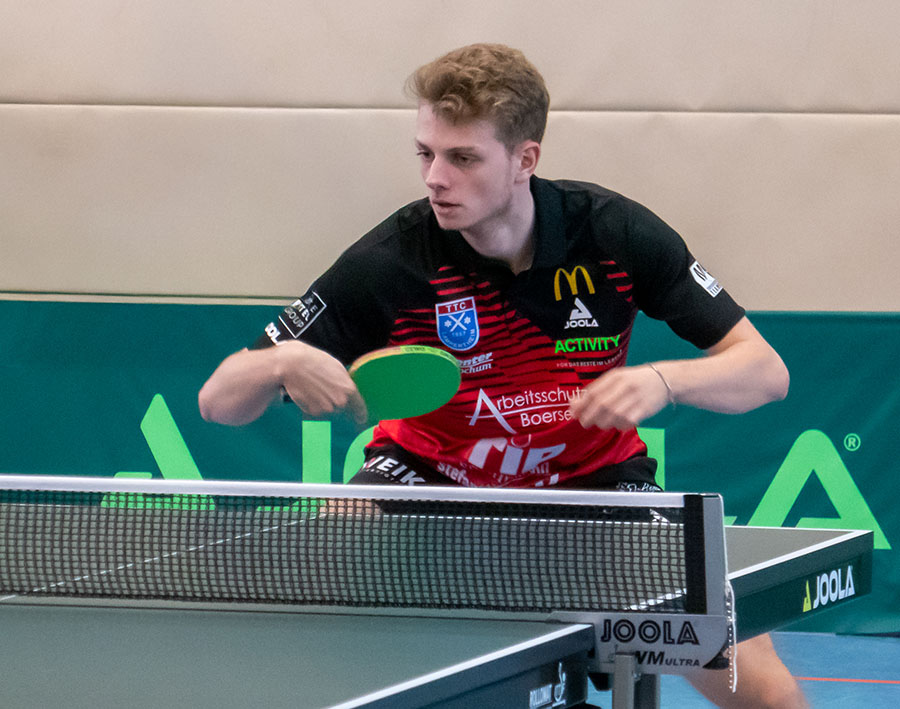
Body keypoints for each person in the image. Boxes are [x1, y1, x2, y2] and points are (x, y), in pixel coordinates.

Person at [199, 44, 804, 708]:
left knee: (763, 690)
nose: (435, 178)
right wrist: (279, 362)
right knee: (325, 578)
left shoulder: (614, 235)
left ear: (525, 159)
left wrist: (664, 380)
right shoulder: (390, 263)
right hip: (428, 480)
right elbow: (217, 401)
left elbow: (766, 372)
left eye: (463, 158)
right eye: (426, 153)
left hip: (596, 486)